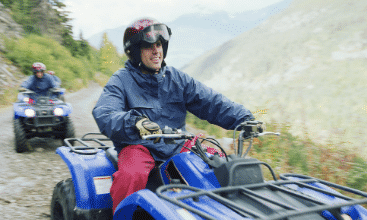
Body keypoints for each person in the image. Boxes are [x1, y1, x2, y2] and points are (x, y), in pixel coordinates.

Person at [92, 18, 255, 209]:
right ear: (135, 51)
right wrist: (135, 123)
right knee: (131, 175)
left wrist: (244, 119)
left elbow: (211, 101)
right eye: (148, 46)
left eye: (159, 44)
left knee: (217, 162)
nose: (156, 51)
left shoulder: (177, 78)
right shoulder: (121, 80)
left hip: (177, 144)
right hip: (139, 146)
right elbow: (105, 112)